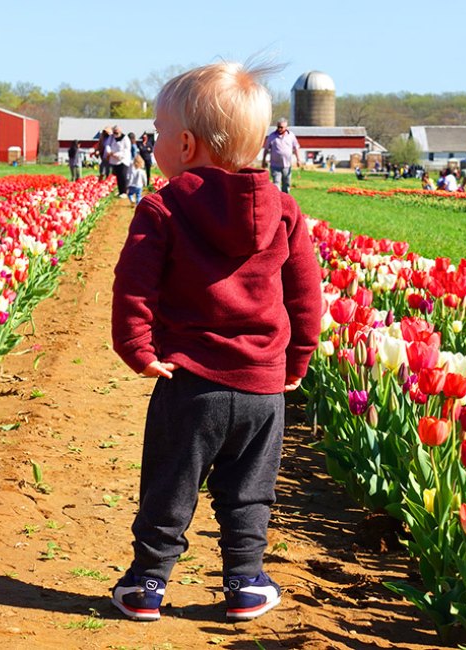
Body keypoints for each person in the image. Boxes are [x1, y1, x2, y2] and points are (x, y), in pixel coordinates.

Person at [110, 61, 321, 624]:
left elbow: (134, 286)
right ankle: (246, 583)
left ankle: (147, 584)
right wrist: (295, 358)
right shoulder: (285, 210)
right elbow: (305, 295)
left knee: (171, 483)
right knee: (250, 490)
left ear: (183, 143)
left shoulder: (162, 206)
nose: (153, 142)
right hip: (262, 389)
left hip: (191, 386)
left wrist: (138, 348)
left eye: (156, 132)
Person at [261, 117, 300, 193]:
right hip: (275, 166)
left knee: (286, 184)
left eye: (281, 127)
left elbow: (296, 147)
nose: (279, 129)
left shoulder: (291, 136)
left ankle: (285, 200)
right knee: (276, 184)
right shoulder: (272, 136)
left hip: (287, 166)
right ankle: (278, 201)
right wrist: (263, 160)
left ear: (286, 127)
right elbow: (266, 149)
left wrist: (298, 159)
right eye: (278, 127)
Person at [106, 125, 133, 197]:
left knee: (123, 176)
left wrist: (116, 155)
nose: (115, 134)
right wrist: (109, 152)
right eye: (114, 132)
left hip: (123, 160)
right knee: (118, 176)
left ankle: (124, 191)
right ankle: (121, 191)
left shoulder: (125, 138)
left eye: (117, 132)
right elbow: (107, 145)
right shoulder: (111, 137)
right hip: (114, 160)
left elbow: (126, 150)